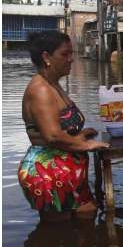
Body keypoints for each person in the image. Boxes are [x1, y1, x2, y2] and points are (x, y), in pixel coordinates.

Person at [18, 31, 109, 223]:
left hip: (68, 171)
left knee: (85, 221)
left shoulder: (53, 84)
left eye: (71, 54)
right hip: (48, 174)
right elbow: (52, 136)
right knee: (57, 240)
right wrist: (86, 146)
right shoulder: (40, 89)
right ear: (46, 57)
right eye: (65, 54)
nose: (71, 59)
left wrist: (80, 134)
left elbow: (61, 128)